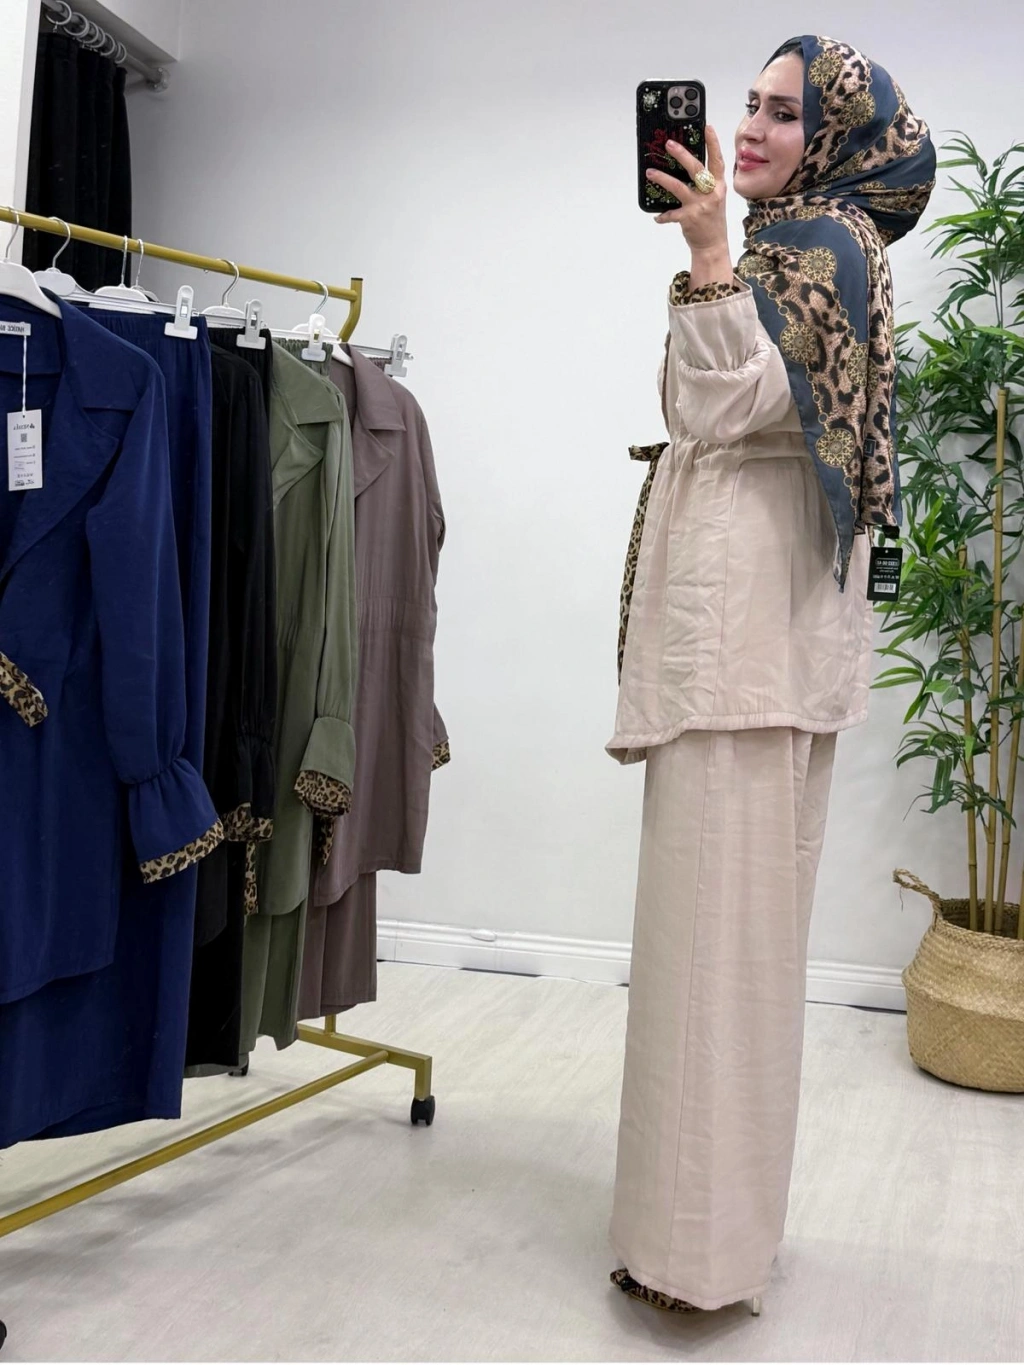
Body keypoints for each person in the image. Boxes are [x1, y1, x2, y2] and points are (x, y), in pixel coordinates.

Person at [606, 34, 936, 1315]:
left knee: (713, 958)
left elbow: (719, 405)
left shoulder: (813, 247)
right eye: (746, 104)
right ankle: (706, 1243)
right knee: (725, 956)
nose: (748, 128)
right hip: (755, 641)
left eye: (783, 113)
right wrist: (718, 255)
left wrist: (702, 255)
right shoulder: (813, 247)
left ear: (836, 137)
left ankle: (694, 1262)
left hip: (742, 651)